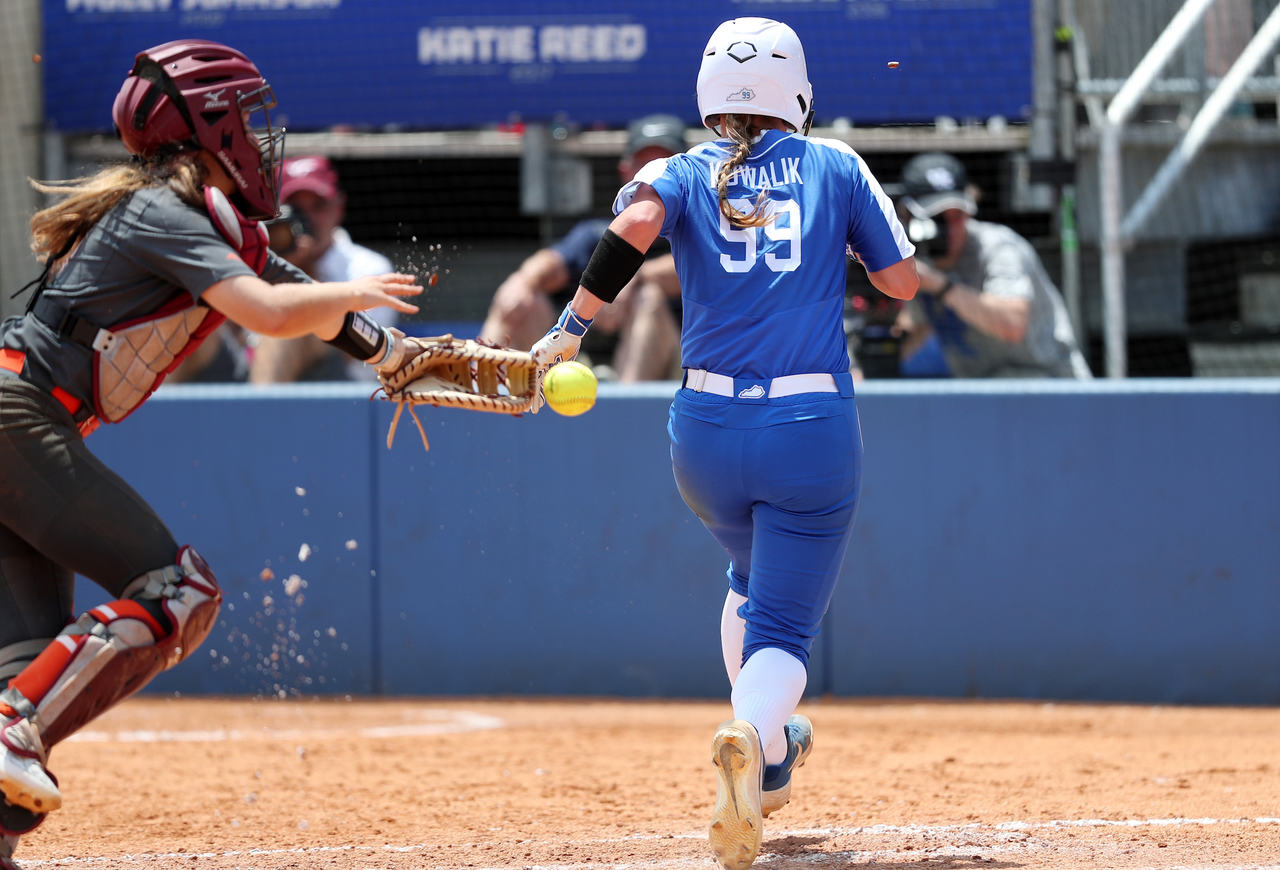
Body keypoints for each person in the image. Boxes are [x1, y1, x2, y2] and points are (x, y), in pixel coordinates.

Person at [0, 41, 419, 870]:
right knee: (179, 590)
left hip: (24, 424)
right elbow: (268, 311)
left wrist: (399, 356)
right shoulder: (161, 211)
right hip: (17, 416)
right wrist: (358, 291)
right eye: (246, 120)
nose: (262, 140)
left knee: (27, 663)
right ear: (206, 128)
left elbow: (303, 302)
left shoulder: (205, 222)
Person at [528, 18, 917, 870]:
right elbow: (900, 283)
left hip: (702, 436)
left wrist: (571, 328)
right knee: (782, 627)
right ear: (797, 93)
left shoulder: (679, 170)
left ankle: (773, 757)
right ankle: (750, 729)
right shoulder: (837, 164)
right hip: (808, 427)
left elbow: (630, 230)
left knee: (750, 583)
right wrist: (852, 242)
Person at [480, 114, 685, 381]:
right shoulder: (599, 234)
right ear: (626, 171)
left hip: (676, 376)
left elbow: (691, 269)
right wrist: (523, 280)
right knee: (520, 296)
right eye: (645, 166)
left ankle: (626, 410)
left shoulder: (696, 230)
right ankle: (475, 393)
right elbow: (550, 262)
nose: (656, 178)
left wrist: (630, 278)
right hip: (580, 369)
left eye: (664, 166)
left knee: (648, 298)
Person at [895, 152, 1091, 378]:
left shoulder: (997, 246)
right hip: (984, 396)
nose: (952, 227)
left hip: (1050, 384)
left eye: (958, 215)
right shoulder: (916, 261)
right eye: (939, 217)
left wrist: (940, 284)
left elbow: (1013, 324)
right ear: (909, 217)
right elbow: (915, 335)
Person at [250, 155, 397, 382]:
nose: (309, 219)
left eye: (318, 206)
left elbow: (361, 354)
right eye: (296, 208)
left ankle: (256, 417)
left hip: (340, 386)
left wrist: (300, 273)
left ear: (338, 208)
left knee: (289, 324)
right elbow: (240, 338)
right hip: (252, 374)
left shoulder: (370, 267)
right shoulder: (259, 258)